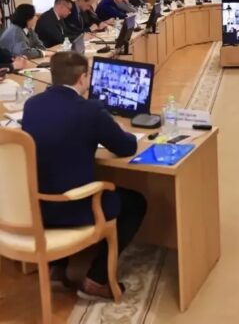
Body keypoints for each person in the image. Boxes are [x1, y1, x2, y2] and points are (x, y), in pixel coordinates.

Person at [22, 52, 146, 300]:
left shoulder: (31, 105)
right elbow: (126, 147)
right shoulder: (90, 110)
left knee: (56, 174)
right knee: (135, 203)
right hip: (73, 206)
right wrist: (118, 128)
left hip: (36, 206)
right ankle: (96, 280)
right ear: (82, 78)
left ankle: (58, 268)